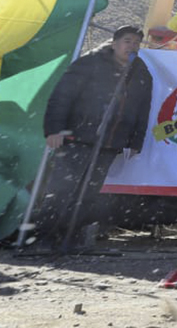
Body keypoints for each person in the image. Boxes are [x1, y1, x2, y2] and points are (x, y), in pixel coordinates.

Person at [31, 26, 152, 250]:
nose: (132, 47)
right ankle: (44, 237)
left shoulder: (141, 72)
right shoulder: (90, 63)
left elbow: (143, 109)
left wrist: (136, 141)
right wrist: (54, 129)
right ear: (114, 43)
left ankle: (72, 236)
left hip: (110, 144)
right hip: (78, 138)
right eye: (127, 41)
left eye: (136, 43)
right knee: (61, 190)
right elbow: (62, 96)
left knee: (88, 194)